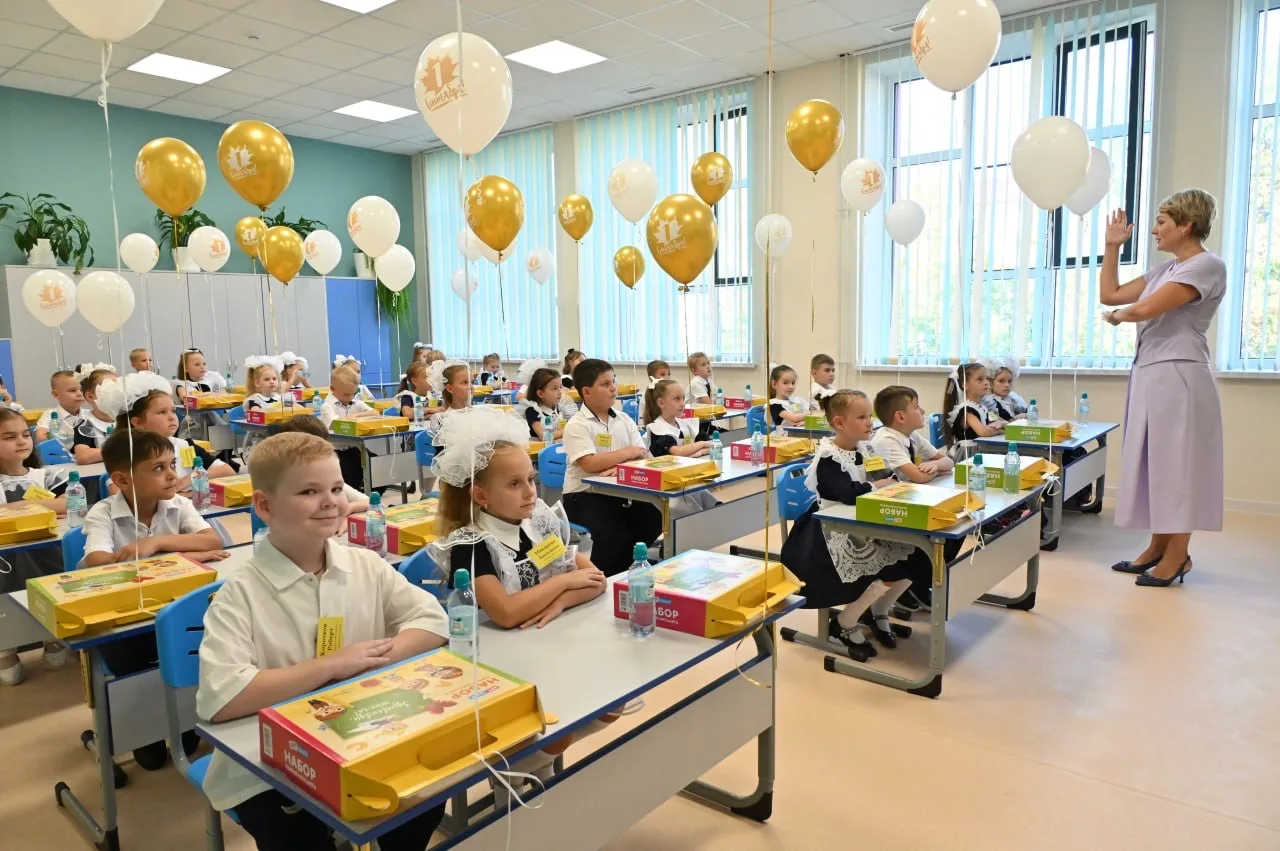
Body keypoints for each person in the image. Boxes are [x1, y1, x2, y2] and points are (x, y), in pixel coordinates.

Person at [196, 432, 450, 850]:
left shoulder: (365, 564)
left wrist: (371, 662)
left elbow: (432, 621)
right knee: (298, 836)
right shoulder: (238, 595)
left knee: (423, 800)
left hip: (365, 730)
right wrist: (332, 666)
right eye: (309, 492)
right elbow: (222, 697)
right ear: (264, 506)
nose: (330, 501)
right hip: (269, 765)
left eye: (336, 488)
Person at [1100, 192, 1227, 587]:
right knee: (1156, 464)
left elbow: (1145, 308)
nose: (1154, 230)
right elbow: (1110, 294)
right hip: (1152, 372)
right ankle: (1157, 546)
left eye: (1161, 222)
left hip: (1179, 375)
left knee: (1178, 466)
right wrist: (1111, 247)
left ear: (1186, 225)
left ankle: (1177, 556)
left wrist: (1117, 316)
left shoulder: (1206, 265)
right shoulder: (1165, 270)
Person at [82, 428, 229, 769]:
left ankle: (181, 717)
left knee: (195, 641)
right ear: (122, 480)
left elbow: (212, 542)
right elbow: (98, 562)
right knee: (133, 662)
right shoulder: (102, 513)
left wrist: (157, 543)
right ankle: (144, 729)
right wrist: (184, 555)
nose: (172, 475)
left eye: (172, 465)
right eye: (158, 468)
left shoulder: (179, 504)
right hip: (124, 618)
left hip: (170, 609)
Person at [779, 390, 927, 661]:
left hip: (862, 522)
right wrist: (877, 485)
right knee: (892, 563)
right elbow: (847, 493)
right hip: (828, 532)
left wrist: (887, 482)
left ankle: (877, 610)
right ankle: (845, 621)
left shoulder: (864, 448)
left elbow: (886, 476)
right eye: (861, 417)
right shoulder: (829, 456)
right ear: (839, 423)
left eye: (869, 415)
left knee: (915, 556)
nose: (870, 422)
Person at [561, 358, 662, 576]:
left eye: (613, 381)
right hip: (583, 495)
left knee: (653, 518)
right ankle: (601, 577)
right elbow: (590, 463)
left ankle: (625, 568)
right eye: (605, 384)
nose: (613, 388)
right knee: (612, 529)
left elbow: (642, 454)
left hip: (620, 491)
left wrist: (621, 467)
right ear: (587, 391)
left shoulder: (624, 419)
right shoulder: (577, 425)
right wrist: (626, 454)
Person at [0, 407, 69, 686]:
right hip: (6, 562)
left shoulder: (47, 475)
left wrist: (21, 505)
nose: (21, 441)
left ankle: (53, 638)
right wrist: (41, 506)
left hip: (46, 555)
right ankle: (5, 648)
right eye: (9, 437)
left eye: (25, 435)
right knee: (7, 600)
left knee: (50, 589)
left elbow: (68, 503)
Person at [101, 373, 237, 497]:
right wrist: (180, 497)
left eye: (173, 411)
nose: (172, 417)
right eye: (162, 412)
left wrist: (189, 480)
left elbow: (227, 471)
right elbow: (117, 493)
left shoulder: (184, 445)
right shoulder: (127, 452)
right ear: (138, 422)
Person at [641, 379, 717, 518]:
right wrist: (700, 446)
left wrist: (698, 449)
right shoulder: (657, 429)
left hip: (685, 478)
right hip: (668, 488)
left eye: (683, 398)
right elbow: (678, 453)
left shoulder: (685, 424)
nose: (682, 403)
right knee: (691, 501)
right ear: (661, 403)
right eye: (677, 399)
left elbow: (711, 445)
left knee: (704, 494)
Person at [273, 415, 370, 515]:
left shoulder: (325, 479)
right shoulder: (280, 484)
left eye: (322, 448)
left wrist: (349, 508)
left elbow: (370, 502)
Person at [870, 385, 954, 485]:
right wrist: (939, 472)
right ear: (901, 417)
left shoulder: (912, 435)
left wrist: (935, 464)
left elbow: (949, 462)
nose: (923, 411)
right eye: (916, 407)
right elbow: (919, 477)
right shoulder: (886, 440)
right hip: (889, 492)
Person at [320, 366, 376, 492]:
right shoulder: (327, 406)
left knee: (376, 464)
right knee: (351, 472)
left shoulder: (356, 403)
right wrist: (350, 419)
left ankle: (367, 495)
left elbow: (375, 413)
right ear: (332, 389)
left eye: (353, 393)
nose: (350, 397)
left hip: (355, 448)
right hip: (337, 452)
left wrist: (355, 416)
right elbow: (336, 424)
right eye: (346, 394)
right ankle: (356, 496)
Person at [941, 362, 1003, 460]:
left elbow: (996, 421)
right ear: (965, 385)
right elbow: (983, 431)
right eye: (980, 379)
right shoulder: (967, 410)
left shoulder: (982, 407)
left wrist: (1001, 423)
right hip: (969, 454)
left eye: (987, 378)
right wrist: (999, 429)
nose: (986, 382)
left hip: (980, 450)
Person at [70, 367, 119, 465]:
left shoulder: (125, 419)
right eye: (108, 390)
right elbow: (83, 456)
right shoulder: (85, 423)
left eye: (117, 389)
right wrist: (119, 451)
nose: (116, 394)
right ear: (90, 396)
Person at [425, 361, 473, 449]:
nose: (471, 386)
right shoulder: (444, 420)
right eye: (465, 382)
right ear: (450, 388)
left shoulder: (478, 413)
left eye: (471, 382)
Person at [34, 369, 83, 443]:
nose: (80, 394)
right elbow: (41, 437)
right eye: (72, 390)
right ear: (56, 394)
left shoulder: (89, 415)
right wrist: (68, 436)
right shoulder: (50, 415)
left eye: (82, 390)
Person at [522, 367, 566, 442]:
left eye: (560, 387)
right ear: (540, 393)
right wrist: (566, 430)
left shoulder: (560, 408)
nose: (560, 392)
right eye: (555, 388)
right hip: (539, 448)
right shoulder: (533, 411)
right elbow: (544, 436)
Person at [980, 356, 1027, 421]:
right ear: (990, 382)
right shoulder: (988, 402)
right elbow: (993, 418)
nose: (1007, 385)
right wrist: (1012, 420)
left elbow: (1028, 412)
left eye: (1009, 381)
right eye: (1001, 381)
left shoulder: (1013, 399)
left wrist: (1025, 415)